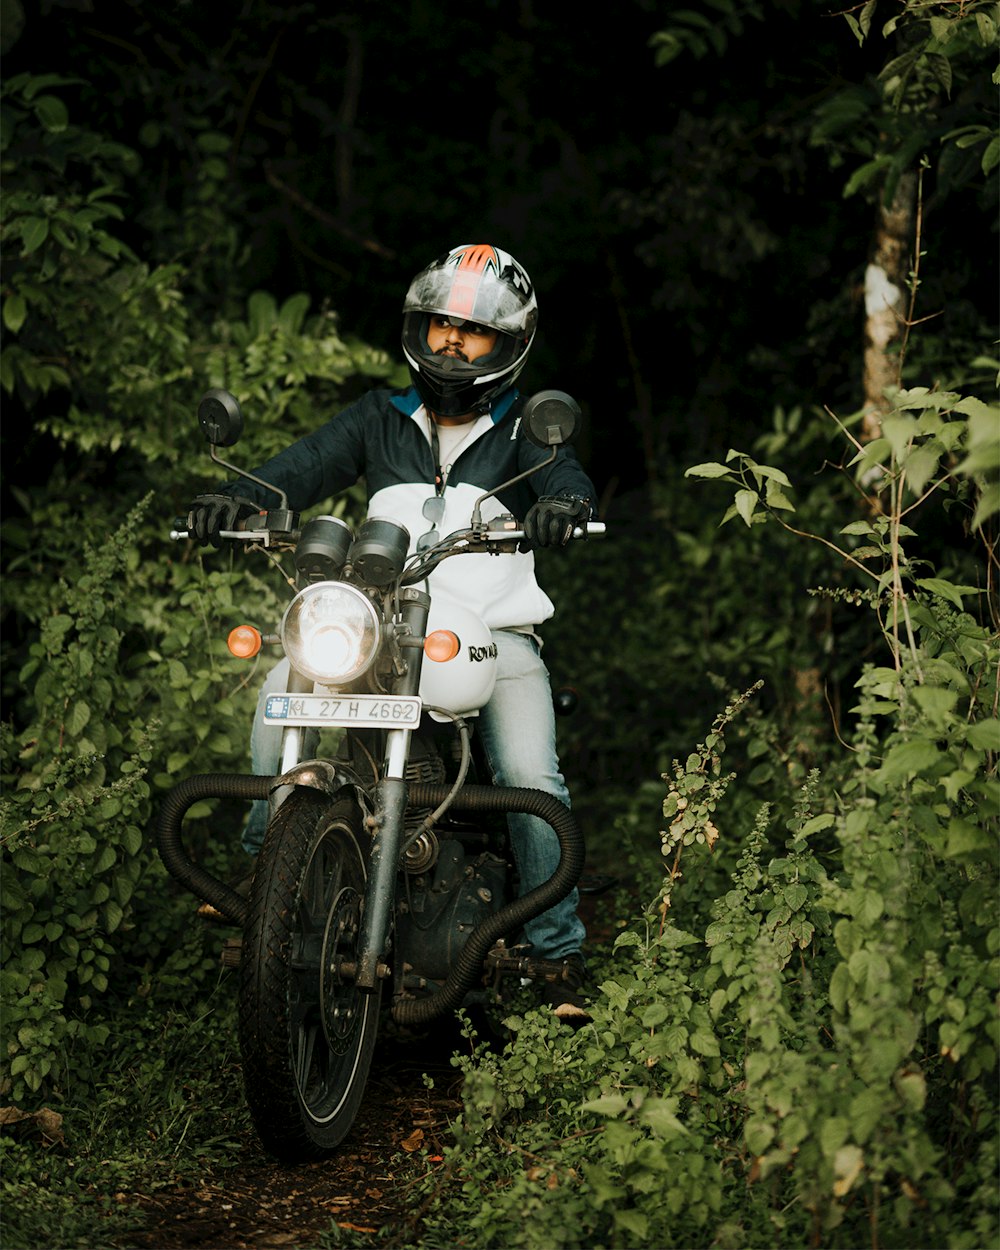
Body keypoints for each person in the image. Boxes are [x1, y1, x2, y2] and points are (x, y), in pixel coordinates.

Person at [186, 243, 595, 1022]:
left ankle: (557, 957)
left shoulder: (524, 435)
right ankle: (263, 874)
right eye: (441, 324)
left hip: (494, 641)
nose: (451, 342)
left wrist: (565, 507)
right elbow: (295, 471)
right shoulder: (377, 417)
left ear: (505, 346)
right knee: (282, 685)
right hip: (378, 633)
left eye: (471, 333)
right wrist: (234, 501)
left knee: (532, 780)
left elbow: (566, 477)